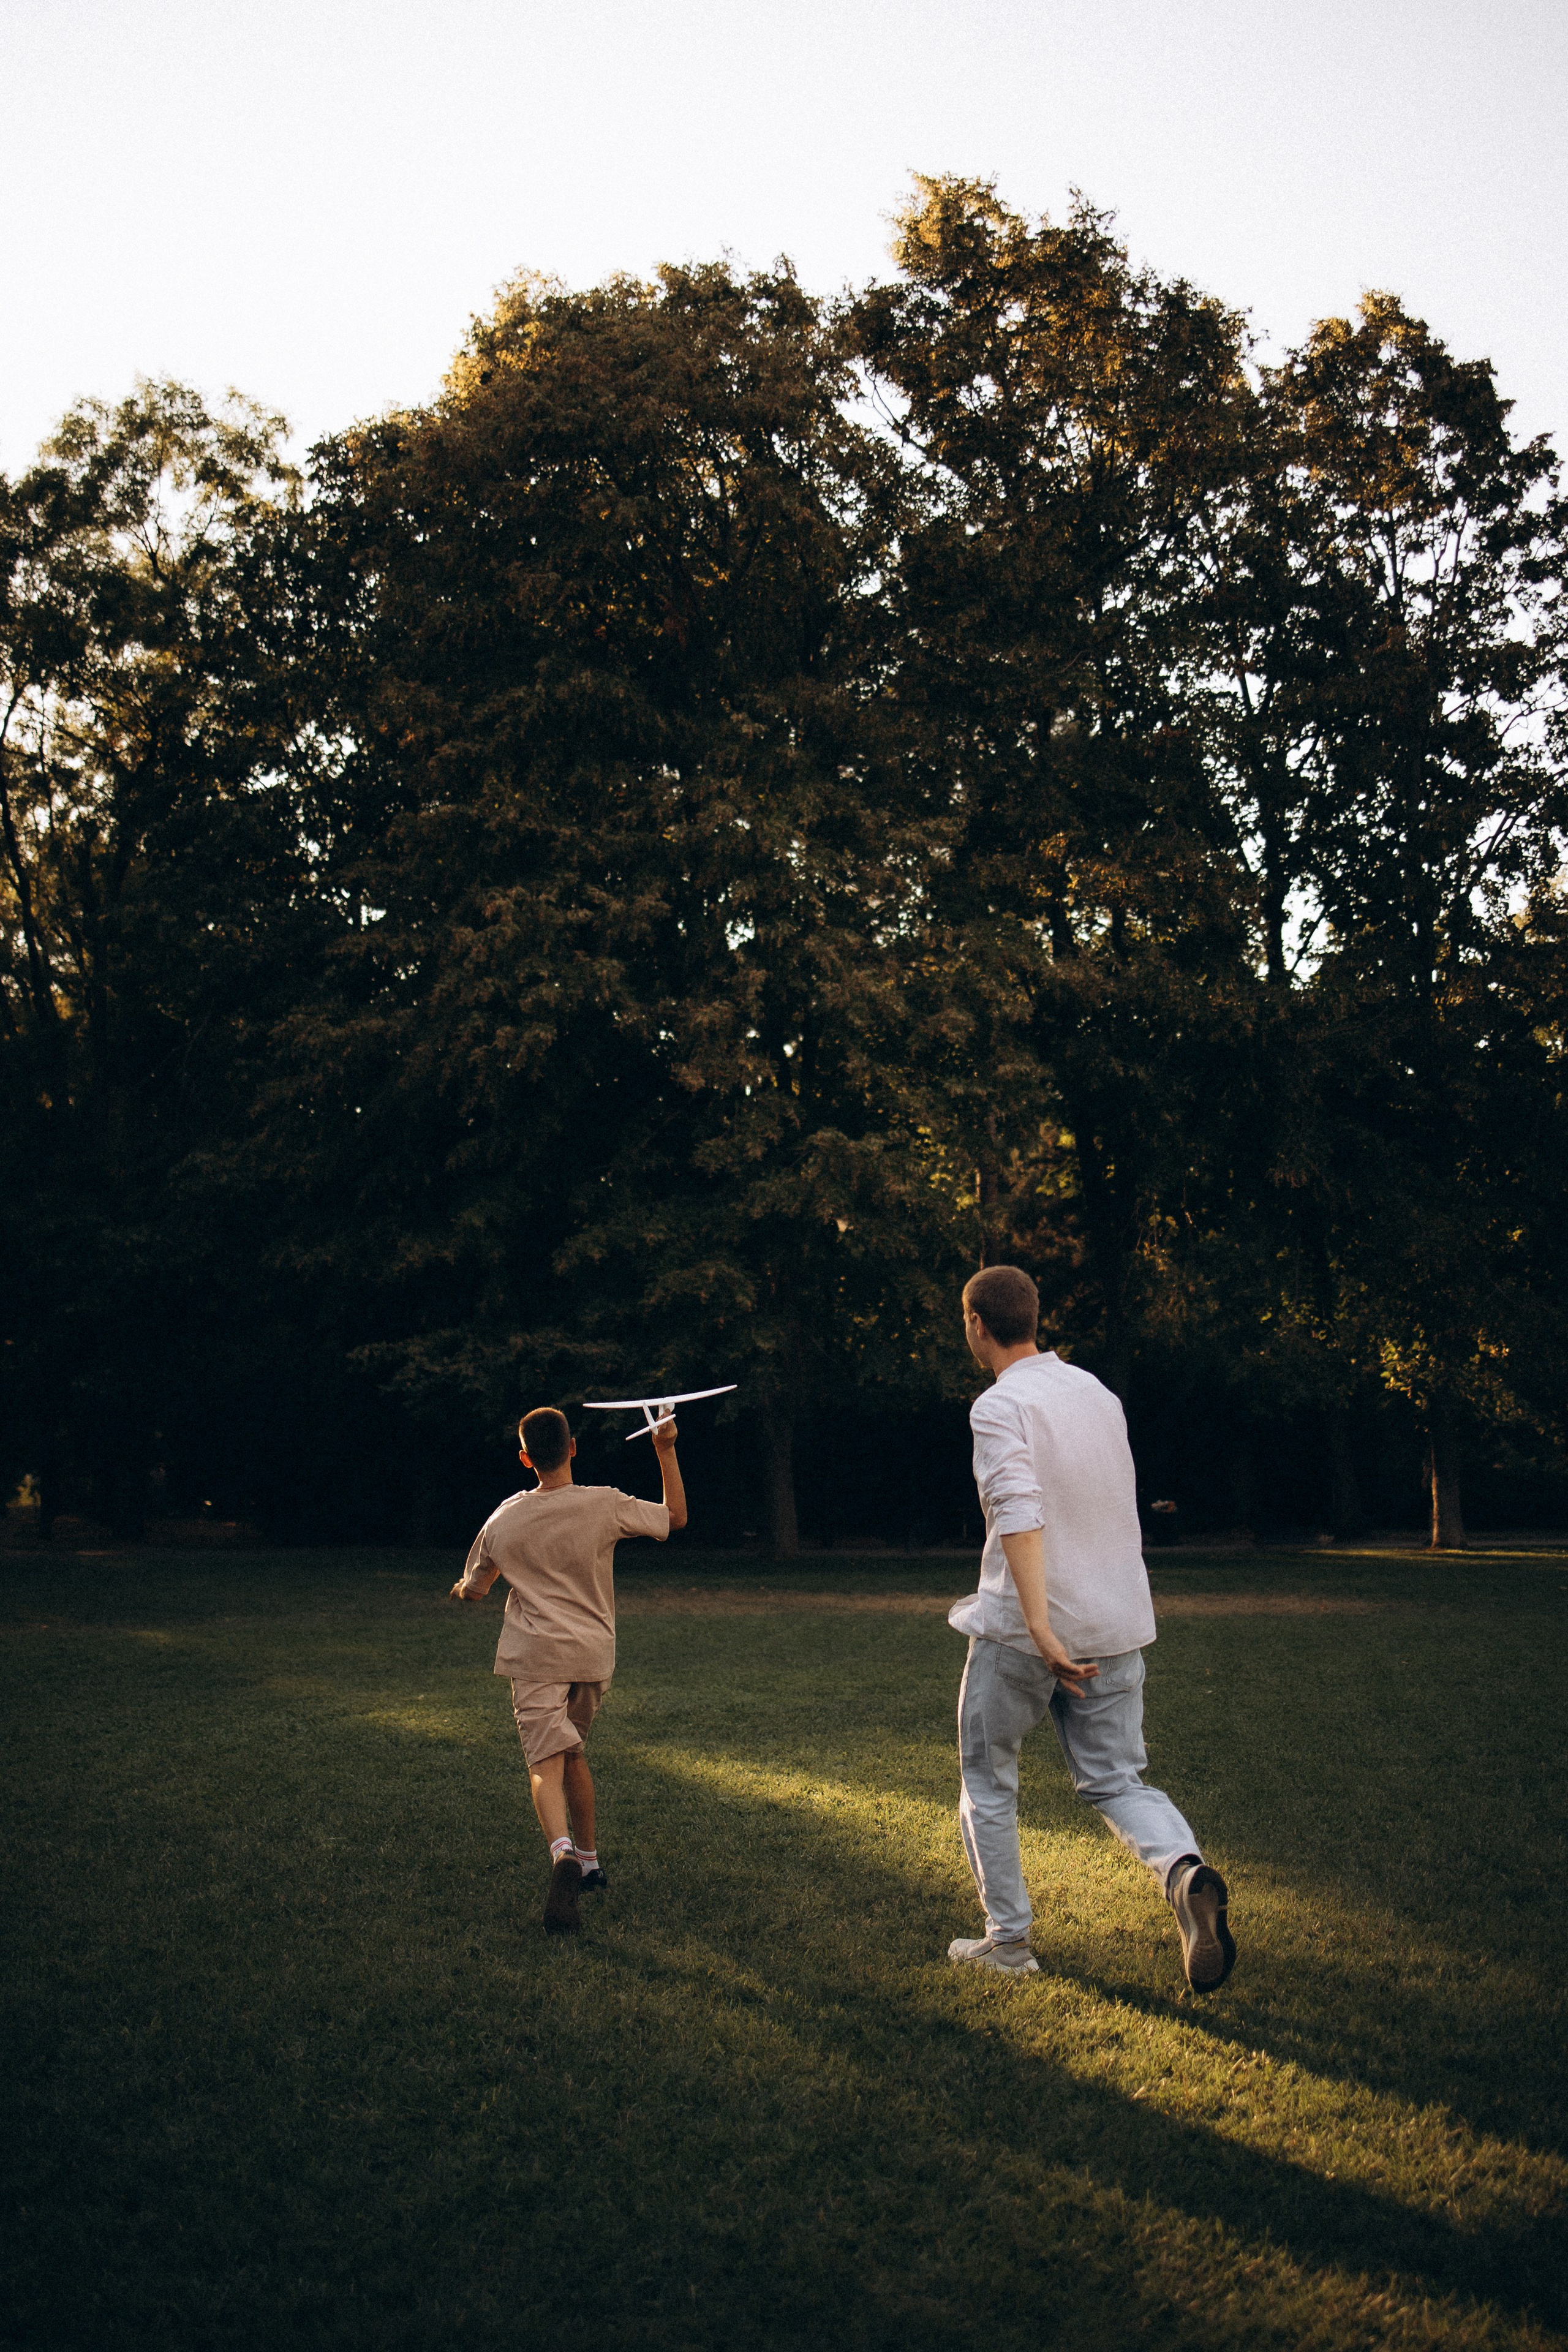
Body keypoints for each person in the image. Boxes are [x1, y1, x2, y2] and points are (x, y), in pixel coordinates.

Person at [947, 1265, 1235, 1991]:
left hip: (1023, 1633)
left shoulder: (999, 1405)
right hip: (1114, 1623)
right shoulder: (1097, 1394)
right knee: (1116, 1780)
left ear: (977, 1323)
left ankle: (1009, 1943)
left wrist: (1040, 1626)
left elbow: (1018, 1511)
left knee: (987, 1779)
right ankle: (1183, 1872)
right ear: (1033, 1317)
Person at [451, 1403, 687, 1935]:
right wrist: (665, 1448)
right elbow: (674, 1518)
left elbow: (477, 1587)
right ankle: (591, 1862)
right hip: (592, 1658)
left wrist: (462, 1590)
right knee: (572, 1751)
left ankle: (562, 1853)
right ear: (573, 1448)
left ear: (525, 1458)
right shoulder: (604, 1504)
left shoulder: (503, 1519)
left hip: (537, 1657)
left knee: (545, 1761)